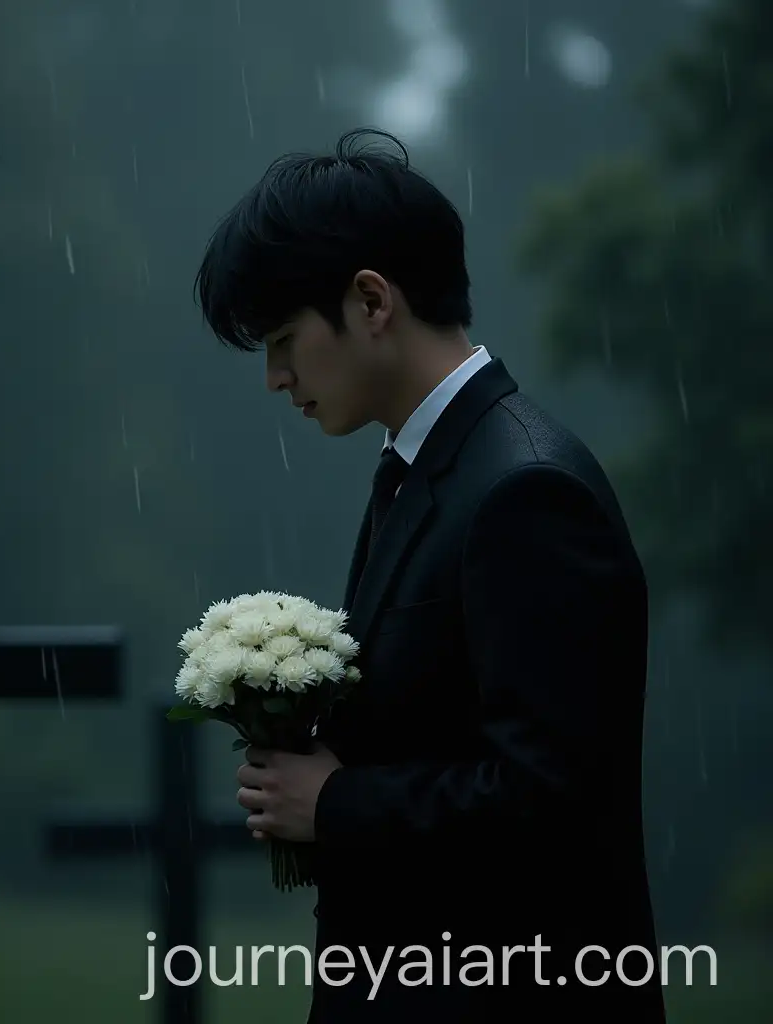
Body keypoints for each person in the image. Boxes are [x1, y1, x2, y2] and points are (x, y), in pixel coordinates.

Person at [192, 127, 667, 1022]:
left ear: (372, 301)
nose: (274, 377)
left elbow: (551, 801)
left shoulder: (525, 489)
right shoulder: (431, 467)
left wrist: (337, 803)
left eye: (285, 338)